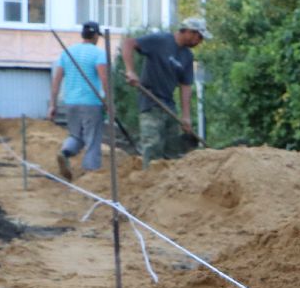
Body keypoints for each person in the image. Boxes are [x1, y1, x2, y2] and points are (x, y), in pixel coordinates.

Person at [121, 18, 208, 166]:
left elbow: (185, 86)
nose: (199, 41)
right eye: (199, 36)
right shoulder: (160, 40)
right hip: (150, 102)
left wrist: (186, 117)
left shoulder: (187, 56)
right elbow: (129, 43)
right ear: (188, 31)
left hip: (168, 105)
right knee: (153, 147)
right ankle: (150, 182)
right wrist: (130, 71)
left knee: (172, 152)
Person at [49, 21, 109, 181]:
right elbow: (104, 78)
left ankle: (65, 152)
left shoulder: (68, 53)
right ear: (96, 35)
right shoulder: (99, 54)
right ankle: (91, 174)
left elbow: (57, 79)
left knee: (76, 135)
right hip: (91, 102)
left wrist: (52, 104)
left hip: (71, 102)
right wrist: (108, 101)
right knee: (93, 139)